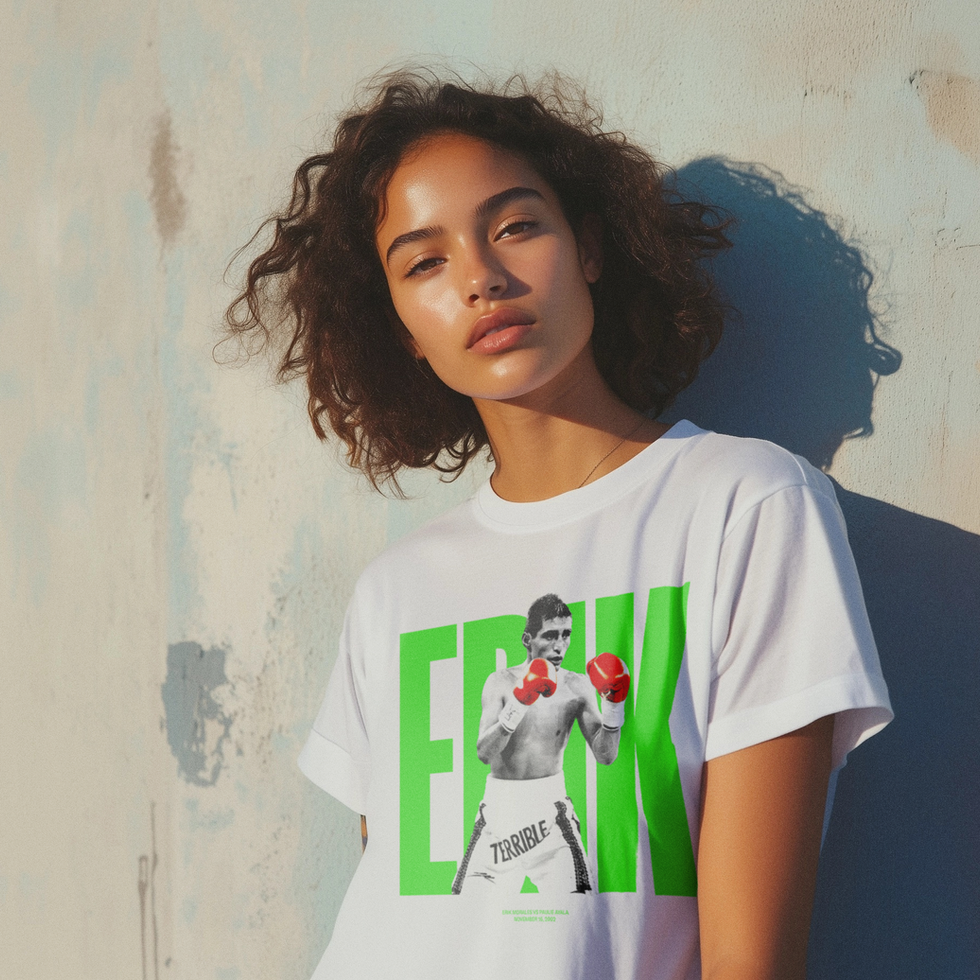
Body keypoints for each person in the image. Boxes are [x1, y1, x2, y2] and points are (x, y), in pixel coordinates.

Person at [225, 69, 892, 980]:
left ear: (589, 247)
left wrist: (603, 699)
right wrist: (503, 710)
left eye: (515, 226)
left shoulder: (747, 508)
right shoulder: (398, 589)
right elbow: (414, 904)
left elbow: (750, 960)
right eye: (424, 262)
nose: (481, 279)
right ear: (404, 331)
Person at [453, 593, 629, 895]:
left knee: (576, 912)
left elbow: (605, 756)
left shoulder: (577, 686)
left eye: (566, 635)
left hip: (551, 817)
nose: (559, 645)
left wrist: (614, 706)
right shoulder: (500, 681)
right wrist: (519, 703)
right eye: (550, 635)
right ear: (527, 639)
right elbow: (484, 752)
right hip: (499, 814)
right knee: (466, 910)